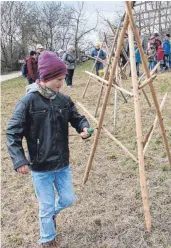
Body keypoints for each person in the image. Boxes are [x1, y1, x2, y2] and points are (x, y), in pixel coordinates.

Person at [6, 51, 92, 247]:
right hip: (40, 167)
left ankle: (50, 215)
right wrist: (19, 159)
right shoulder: (28, 102)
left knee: (68, 199)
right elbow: (12, 132)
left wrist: (83, 127)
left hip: (62, 163)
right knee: (45, 206)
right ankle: (47, 239)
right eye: (58, 79)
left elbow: (76, 118)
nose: (62, 82)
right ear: (45, 77)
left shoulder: (63, 100)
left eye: (63, 78)